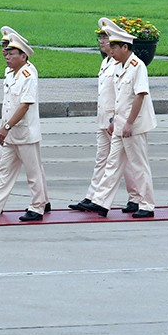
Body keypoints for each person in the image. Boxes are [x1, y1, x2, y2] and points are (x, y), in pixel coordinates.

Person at [85, 26, 156, 217]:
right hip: (119, 124)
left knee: (138, 165)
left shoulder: (137, 66)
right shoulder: (119, 66)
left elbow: (139, 96)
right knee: (112, 164)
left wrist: (129, 123)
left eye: (115, 47)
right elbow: (118, 99)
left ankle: (146, 205)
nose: (111, 50)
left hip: (135, 125)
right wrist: (114, 121)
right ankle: (101, 202)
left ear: (125, 47)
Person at [0, 27, 48, 221]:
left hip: (25, 133)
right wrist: (5, 127)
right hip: (10, 132)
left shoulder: (28, 75)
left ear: (23, 56)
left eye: (11, 53)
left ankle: (38, 206)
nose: (7, 56)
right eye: (6, 52)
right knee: (3, 169)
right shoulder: (10, 73)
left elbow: (24, 106)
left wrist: (6, 127)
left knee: (33, 173)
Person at [71, 22, 121, 213]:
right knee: (102, 159)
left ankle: (136, 199)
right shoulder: (106, 61)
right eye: (100, 37)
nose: (101, 41)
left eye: (105, 37)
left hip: (115, 120)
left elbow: (123, 94)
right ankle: (92, 196)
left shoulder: (119, 63)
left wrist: (115, 118)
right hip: (103, 119)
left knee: (125, 163)